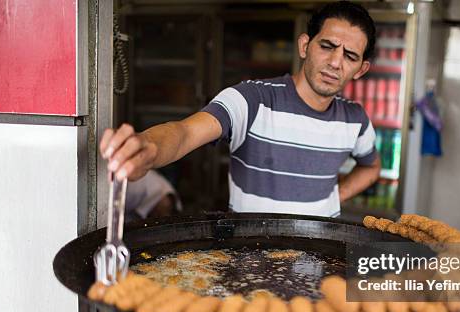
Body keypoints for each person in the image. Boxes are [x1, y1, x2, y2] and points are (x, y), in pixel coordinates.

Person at [100, 1, 381, 218]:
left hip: (316, 266)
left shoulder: (355, 120)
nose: (335, 61)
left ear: (361, 69)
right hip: (248, 261)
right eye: (328, 46)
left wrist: (333, 197)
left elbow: (372, 168)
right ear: (305, 45)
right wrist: (148, 148)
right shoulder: (252, 98)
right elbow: (185, 132)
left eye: (350, 55)